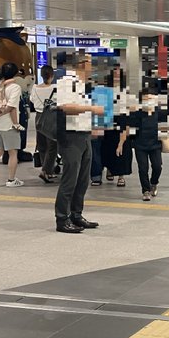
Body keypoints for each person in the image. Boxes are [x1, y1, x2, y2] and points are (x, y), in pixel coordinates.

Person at [54, 53, 105, 233]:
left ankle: (76, 215)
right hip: (70, 137)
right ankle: (62, 219)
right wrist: (91, 108)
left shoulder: (82, 85)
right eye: (91, 63)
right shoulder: (67, 82)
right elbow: (66, 107)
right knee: (70, 179)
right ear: (82, 64)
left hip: (83, 135)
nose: (93, 67)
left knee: (83, 179)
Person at [130, 93, 162, 201]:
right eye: (145, 99)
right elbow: (131, 128)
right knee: (143, 168)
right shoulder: (137, 114)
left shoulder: (159, 112)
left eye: (150, 99)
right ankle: (146, 190)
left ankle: (153, 183)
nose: (148, 101)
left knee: (157, 166)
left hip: (155, 145)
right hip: (140, 145)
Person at [30, 65, 58, 183]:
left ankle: (48, 170)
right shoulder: (55, 88)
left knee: (41, 144)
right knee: (53, 145)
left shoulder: (35, 88)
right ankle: (46, 170)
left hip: (38, 117)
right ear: (52, 76)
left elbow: (32, 100)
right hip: (51, 117)